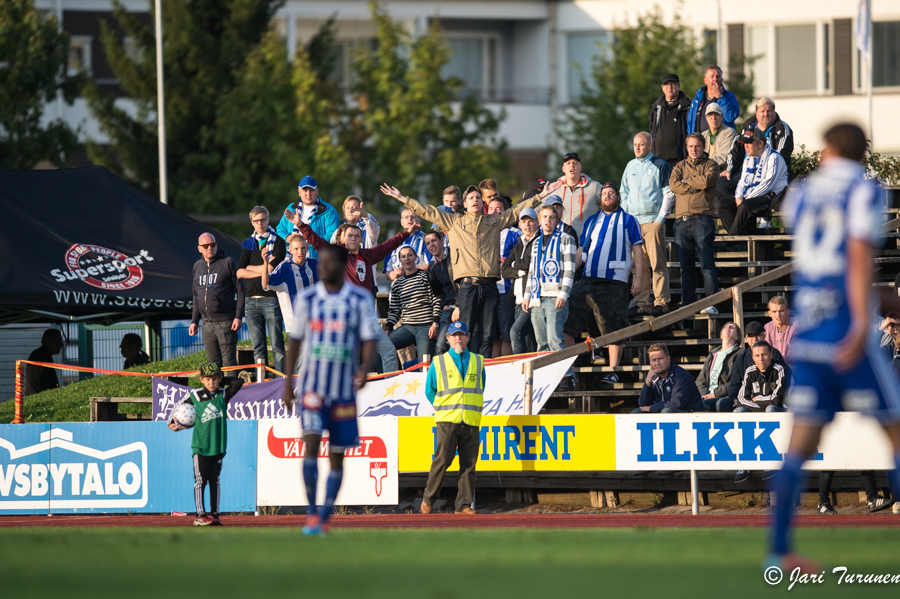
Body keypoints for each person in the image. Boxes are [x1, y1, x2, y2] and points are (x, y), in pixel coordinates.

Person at [766, 122, 900, 572]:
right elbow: (858, 252)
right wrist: (864, 320)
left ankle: (780, 552)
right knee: (896, 435)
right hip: (849, 331)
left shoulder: (803, 191)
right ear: (861, 154)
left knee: (798, 448)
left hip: (811, 334)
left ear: (827, 149)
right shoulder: (865, 190)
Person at [379, 182, 545, 358]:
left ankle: (483, 373)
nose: (475, 200)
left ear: (483, 203)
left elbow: (516, 211)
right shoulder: (454, 221)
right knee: (464, 334)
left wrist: (540, 196)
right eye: (471, 198)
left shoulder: (494, 221)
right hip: (467, 287)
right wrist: (402, 198)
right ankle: (464, 372)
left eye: (478, 198)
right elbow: (428, 211)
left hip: (489, 286)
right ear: (464, 204)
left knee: (488, 336)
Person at [282, 243, 377, 536]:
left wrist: (363, 368)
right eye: (319, 262)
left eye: (327, 262)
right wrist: (288, 383)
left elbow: (369, 338)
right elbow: (295, 341)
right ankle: (311, 514)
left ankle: (325, 516)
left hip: (343, 391)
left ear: (341, 264)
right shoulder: (307, 299)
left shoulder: (359, 299)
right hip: (312, 388)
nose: (322, 267)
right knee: (310, 446)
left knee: (337, 456)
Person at [285, 210, 413, 374]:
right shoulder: (337, 255)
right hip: (345, 318)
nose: (353, 238)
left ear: (361, 239)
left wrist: (407, 233)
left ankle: (388, 391)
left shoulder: (368, 255)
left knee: (388, 351)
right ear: (342, 239)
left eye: (357, 236)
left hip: (366, 317)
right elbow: (316, 242)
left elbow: (389, 245)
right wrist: (301, 224)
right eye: (350, 235)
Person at [564, 182, 644, 386]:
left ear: (618, 197)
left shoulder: (628, 220)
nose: (607, 196)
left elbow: (637, 250)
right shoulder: (592, 220)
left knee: (615, 324)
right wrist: (569, 274)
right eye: (604, 194)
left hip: (615, 281)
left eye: (611, 193)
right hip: (589, 277)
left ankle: (612, 370)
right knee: (568, 316)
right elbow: (582, 250)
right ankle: (566, 370)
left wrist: (638, 278)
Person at [168, 361, 244, 526]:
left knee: (215, 480)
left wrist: (221, 380)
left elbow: (239, 382)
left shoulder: (223, 395)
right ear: (201, 380)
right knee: (200, 480)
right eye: (208, 379)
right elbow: (178, 410)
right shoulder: (195, 396)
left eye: (215, 379)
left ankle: (215, 514)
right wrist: (171, 424)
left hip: (217, 445)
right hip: (201, 446)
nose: (211, 382)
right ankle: (199, 514)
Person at [421, 321, 486, 515]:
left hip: (471, 421)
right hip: (447, 421)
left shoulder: (478, 360)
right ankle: (428, 499)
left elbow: (480, 387)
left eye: (461, 334)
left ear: (467, 337)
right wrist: (442, 409)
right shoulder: (439, 362)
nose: (458, 338)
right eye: (454, 335)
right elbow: (429, 390)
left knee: (469, 466)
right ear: (448, 339)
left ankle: (463, 505)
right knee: (442, 461)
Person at [620, 131, 675, 317]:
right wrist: (628, 217)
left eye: (641, 144)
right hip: (634, 223)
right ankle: (641, 303)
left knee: (657, 263)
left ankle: (661, 302)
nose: (637, 147)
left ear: (650, 146)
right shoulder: (630, 166)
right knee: (638, 266)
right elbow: (623, 193)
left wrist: (660, 219)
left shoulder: (660, 165)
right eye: (635, 144)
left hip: (652, 221)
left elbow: (669, 193)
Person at [522, 205, 577, 389]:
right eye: (544, 217)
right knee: (541, 342)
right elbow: (532, 271)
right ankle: (545, 379)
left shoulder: (566, 239)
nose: (548, 220)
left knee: (555, 338)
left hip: (555, 296)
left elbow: (570, 269)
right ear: (539, 220)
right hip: (537, 297)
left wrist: (564, 293)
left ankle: (566, 377)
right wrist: (526, 296)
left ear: (556, 220)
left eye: (552, 217)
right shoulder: (536, 242)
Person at [670, 133, 720, 312]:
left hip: (702, 220)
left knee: (707, 264)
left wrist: (686, 182)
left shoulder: (711, 165)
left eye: (697, 146)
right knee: (686, 268)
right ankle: (688, 306)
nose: (694, 149)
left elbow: (707, 180)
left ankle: (712, 303)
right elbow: (673, 185)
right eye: (691, 146)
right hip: (681, 222)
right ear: (687, 148)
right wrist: (695, 185)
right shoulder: (679, 166)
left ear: (703, 147)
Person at [719, 98, 795, 213]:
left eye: (769, 111)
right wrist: (729, 168)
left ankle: (754, 212)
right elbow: (736, 146)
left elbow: (780, 156)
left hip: (770, 174)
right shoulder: (749, 126)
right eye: (762, 111)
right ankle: (740, 214)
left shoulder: (782, 129)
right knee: (721, 185)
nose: (766, 114)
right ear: (756, 113)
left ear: (774, 111)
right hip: (747, 172)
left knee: (757, 195)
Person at [237, 206, 287, 375]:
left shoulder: (278, 242)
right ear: (252, 222)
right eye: (256, 220)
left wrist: (251, 268)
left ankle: (281, 381)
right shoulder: (248, 244)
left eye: (263, 219)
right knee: (258, 347)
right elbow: (239, 272)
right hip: (251, 300)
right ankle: (262, 380)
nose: (260, 223)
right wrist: (263, 267)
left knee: (277, 345)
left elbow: (272, 270)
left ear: (268, 220)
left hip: (270, 299)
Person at [717, 129, 789, 235]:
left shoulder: (774, 158)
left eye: (749, 143)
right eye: (744, 143)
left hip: (771, 197)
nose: (745, 146)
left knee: (745, 206)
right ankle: (740, 242)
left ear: (760, 143)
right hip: (750, 196)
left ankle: (732, 240)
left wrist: (746, 199)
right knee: (722, 204)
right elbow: (742, 182)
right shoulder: (749, 159)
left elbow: (768, 185)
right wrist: (738, 197)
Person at [190, 233, 243, 368]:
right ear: (199, 248)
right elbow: (196, 296)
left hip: (226, 322)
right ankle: (217, 390)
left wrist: (238, 317)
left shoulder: (228, 262)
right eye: (206, 246)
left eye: (213, 244)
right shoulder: (197, 266)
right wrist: (194, 321)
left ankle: (233, 389)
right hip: (207, 324)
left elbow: (241, 291)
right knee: (213, 365)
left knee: (229, 362)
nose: (210, 248)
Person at [274, 176, 341, 272]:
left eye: (311, 190)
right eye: (305, 190)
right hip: (291, 261)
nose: (308, 194)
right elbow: (280, 230)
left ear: (317, 190)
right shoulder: (291, 208)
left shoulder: (329, 211)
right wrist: (287, 237)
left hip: (318, 263)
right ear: (299, 192)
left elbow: (332, 238)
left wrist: (306, 240)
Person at [386, 246, 442, 361]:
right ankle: (388, 377)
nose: (407, 258)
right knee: (381, 347)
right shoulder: (398, 283)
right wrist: (388, 328)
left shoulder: (425, 276)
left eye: (410, 255)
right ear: (400, 261)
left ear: (415, 257)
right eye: (403, 256)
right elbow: (394, 309)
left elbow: (436, 299)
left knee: (424, 364)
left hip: (426, 326)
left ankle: (417, 371)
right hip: (407, 327)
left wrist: (435, 323)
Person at [725, 321, 789, 412]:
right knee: (735, 409)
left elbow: (777, 398)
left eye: (758, 335)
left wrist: (757, 399)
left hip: (773, 403)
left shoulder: (777, 361)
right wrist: (734, 398)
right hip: (753, 402)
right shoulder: (743, 361)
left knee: (770, 409)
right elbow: (735, 385)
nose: (755, 339)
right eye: (751, 336)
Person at [260, 235, 317, 336]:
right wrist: (265, 263)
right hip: (295, 325)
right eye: (296, 249)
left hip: (314, 323)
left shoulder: (314, 264)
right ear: (290, 250)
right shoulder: (285, 267)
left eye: (303, 248)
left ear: (307, 248)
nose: (300, 252)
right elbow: (265, 284)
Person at [501, 208, 539, 355]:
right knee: (528, 339)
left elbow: (531, 263)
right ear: (520, 224)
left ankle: (520, 369)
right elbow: (505, 270)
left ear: (537, 222)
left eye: (530, 221)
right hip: (517, 299)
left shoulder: (539, 241)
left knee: (515, 332)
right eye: (524, 221)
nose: (527, 224)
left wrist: (515, 265)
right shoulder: (518, 245)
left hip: (531, 297)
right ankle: (530, 372)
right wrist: (521, 270)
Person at [488, 196, 521, 357]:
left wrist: (508, 262)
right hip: (487, 289)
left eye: (498, 209)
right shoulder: (483, 231)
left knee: (506, 335)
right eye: (491, 208)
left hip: (506, 290)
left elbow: (524, 257)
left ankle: (507, 370)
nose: (494, 212)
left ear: (506, 212)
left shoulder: (515, 233)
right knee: (492, 336)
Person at [633, 343, 703, 413]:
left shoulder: (681, 375)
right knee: (637, 412)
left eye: (660, 359)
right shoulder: (653, 376)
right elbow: (643, 405)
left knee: (666, 412)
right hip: (663, 411)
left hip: (691, 414)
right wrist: (647, 383)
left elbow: (676, 403)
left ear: (668, 359)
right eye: (653, 360)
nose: (657, 363)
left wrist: (652, 408)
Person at [544, 152, 602, 236]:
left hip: (586, 243)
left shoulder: (594, 187)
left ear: (580, 167)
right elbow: (537, 211)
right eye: (568, 163)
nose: (572, 165)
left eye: (575, 163)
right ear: (563, 169)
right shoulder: (553, 188)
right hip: (561, 242)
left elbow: (613, 201)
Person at [697, 322, 741, 411]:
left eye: (732, 327)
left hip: (726, 396)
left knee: (712, 404)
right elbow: (700, 380)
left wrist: (715, 394)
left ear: (737, 337)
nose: (727, 328)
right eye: (725, 327)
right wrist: (704, 394)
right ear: (721, 335)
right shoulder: (713, 354)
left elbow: (736, 381)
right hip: (707, 396)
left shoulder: (740, 354)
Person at [649, 73, 691, 169]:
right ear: (663, 88)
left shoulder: (687, 107)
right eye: (666, 85)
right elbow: (652, 131)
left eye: (673, 84)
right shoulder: (656, 107)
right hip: (657, 161)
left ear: (678, 86)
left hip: (678, 162)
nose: (669, 87)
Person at [425, 230, 456, 355]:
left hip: (465, 305)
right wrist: (444, 305)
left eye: (434, 241)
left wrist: (458, 305)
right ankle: (440, 374)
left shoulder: (454, 256)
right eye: (428, 243)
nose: (431, 245)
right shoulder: (432, 267)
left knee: (468, 342)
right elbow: (438, 293)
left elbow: (464, 284)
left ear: (442, 240)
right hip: (448, 308)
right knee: (440, 346)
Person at [735, 341, 787, 412]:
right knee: (739, 410)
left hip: (781, 410)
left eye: (764, 355)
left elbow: (777, 400)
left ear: (771, 355)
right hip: (758, 408)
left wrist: (757, 399)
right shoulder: (750, 371)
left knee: (770, 409)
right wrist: (762, 406)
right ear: (753, 358)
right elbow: (741, 400)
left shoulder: (779, 370)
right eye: (757, 356)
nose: (761, 359)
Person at [687, 64, 740, 134]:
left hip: (721, 141)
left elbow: (730, 117)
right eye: (712, 76)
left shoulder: (728, 96)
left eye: (718, 76)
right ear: (705, 81)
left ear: (721, 80)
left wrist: (720, 97)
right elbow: (690, 123)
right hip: (700, 142)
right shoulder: (697, 98)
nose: (715, 79)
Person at [383, 208, 431, 281]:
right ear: (401, 222)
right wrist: (395, 274)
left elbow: (431, 265)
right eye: (406, 217)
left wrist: (407, 271)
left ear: (419, 220)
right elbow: (387, 273)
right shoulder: (394, 242)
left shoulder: (426, 239)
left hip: (420, 287)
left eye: (413, 216)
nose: (410, 219)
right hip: (399, 289)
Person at [25, 329, 63, 396]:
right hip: (38, 399)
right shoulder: (42, 357)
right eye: (58, 341)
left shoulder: (42, 355)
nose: (61, 345)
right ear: (49, 342)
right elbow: (49, 383)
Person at [701, 103, 737, 167]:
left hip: (721, 170)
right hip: (704, 169)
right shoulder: (702, 135)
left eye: (717, 114)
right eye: (710, 115)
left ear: (722, 117)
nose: (713, 118)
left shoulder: (729, 133)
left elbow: (723, 157)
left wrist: (702, 163)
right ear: (706, 118)